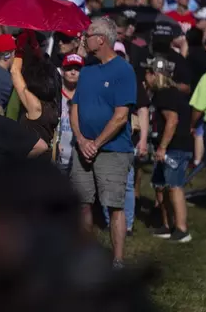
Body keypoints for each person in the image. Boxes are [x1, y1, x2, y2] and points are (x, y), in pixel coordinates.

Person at [70, 17, 136, 268]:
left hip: (112, 150)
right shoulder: (86, 70)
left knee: (114, 205)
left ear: (101, 39)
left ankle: (117, 259)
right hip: (82, 147)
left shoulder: (123, 70)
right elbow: (74, 107)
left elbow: (121, 117)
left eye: (87, 35)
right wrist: (80, 139)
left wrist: (94, 143)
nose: (83, 39)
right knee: (83, 203)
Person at [144, 57, 193, 242]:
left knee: (174, 187)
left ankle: (182, 229)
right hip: (167, 147)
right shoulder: (170, 93)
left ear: (155, 75)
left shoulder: (165, 94)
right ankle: (167, 225)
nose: (145, 77)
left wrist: (163, 147)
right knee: (160, 186)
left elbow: (172, 121)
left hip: (174, 148)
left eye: (148, 73)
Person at [56, 54, 84, 173]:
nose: (73, 72)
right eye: (69, 69)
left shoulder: (85, 96)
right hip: (58, 156)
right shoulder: (55, 95)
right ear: (62, 71)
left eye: (77, 69)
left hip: (79, 157)